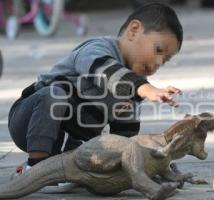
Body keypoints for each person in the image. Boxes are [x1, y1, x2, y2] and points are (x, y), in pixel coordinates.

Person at [8, 3, 183, 191]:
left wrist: (150, 163)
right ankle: (34, 168)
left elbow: (124, 140)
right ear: (134, 30)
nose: (158, 62)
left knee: (96, 156)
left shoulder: (131, 91)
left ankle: (55, 169)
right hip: (27, 122)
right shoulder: (97, 49)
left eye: (164, 61)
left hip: (69, 144)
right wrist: (144, 88)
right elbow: (105, 72)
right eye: (158, 50)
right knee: (55, 94)